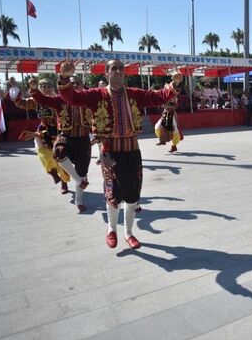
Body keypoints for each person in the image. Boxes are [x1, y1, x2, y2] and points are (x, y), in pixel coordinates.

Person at [57, 59, 183, 250]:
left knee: (133, 195)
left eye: (120, 69)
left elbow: (158, 97)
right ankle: (111, 229)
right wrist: (65, 77)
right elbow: (71, 98)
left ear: (124, 74)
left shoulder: (133, 94)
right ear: (106, 74)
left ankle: (129, 233)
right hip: (110, 153)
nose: (117, 71)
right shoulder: (96, 95)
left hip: (132, 151)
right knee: (113, 193)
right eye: (113, 69)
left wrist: (174, 84)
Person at [26, 76, 93, 212]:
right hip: (65, 136)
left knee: (82, 171)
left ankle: (79, 200)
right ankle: (79, 181)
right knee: (58, 152)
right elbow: (42, 99)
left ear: (81, 85)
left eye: (76, 83)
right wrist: (34, 89)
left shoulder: (89, 98)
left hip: (83, 139)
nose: (72, 86)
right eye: (69, 84)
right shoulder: (59, 100)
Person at [11, 78, 70, 193]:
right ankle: (53, 173)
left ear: (53, 88)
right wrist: (14, 87)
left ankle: (64, 182)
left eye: (49, 87)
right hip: (43, 131)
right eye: (43, 87)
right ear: (39, 88)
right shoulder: (35, 100)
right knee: (44, 156)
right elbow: (20, 103)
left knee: (61, 157)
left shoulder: (58, 99)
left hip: (59, 131)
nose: (46, 89)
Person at [154, 82, 183, 152]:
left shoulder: (173, 96)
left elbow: (175, 105)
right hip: (165, 114)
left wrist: (170, 107)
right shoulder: (165, 95)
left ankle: (174, 146)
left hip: (171, 114)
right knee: (158, 127)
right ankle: (162, 140)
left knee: (174, 130)